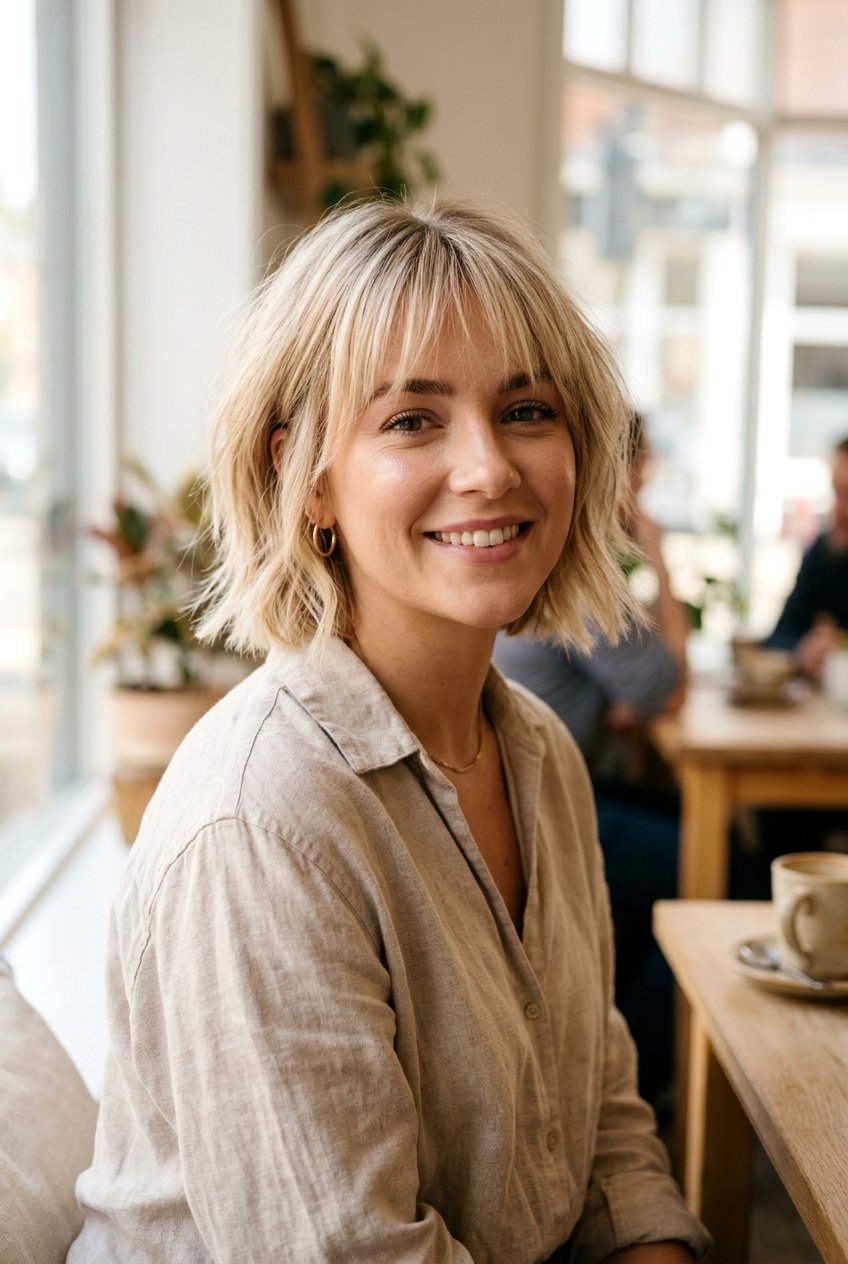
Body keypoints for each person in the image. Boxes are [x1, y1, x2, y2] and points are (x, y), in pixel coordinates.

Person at [69, 200, 708, 1263]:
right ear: (304, 477)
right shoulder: (262, 823)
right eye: (413, 419)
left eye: (526, 410)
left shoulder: (540, 753)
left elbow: (600, 1122)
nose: (490, 468)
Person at [494, 414, 687, 1102]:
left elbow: (631, 697)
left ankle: (631, 1048)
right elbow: (665, 686)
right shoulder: (571, 566)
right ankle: (639, 1080)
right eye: (637, 471)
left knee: (697, 827)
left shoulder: (562, 559)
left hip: (559, 782)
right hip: (548, 805)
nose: (643, 485)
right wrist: (661, 559)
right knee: (715, 876)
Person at [763, 434, 848, 676]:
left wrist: (840, 644)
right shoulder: (824, 553)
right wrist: (804, 648)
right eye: (837, 492)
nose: (839, 510)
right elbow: (778, 638)